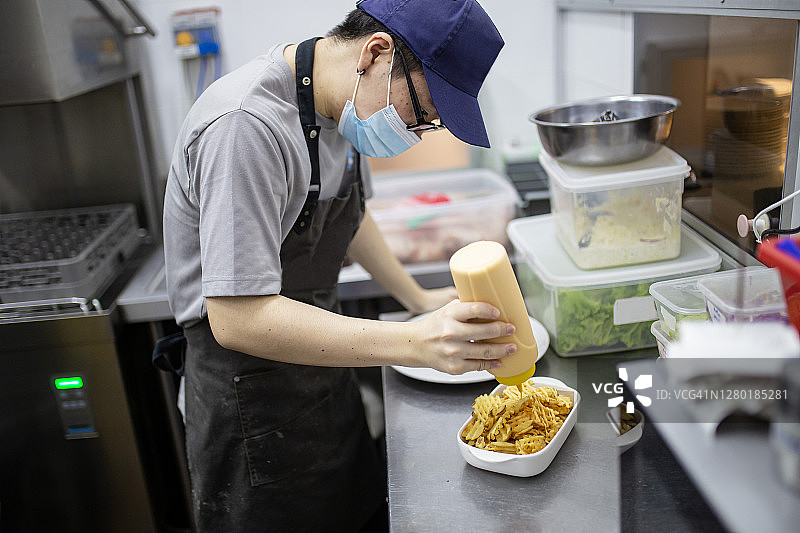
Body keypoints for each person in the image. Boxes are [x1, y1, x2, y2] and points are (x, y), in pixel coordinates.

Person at [160, 0, 506, 531]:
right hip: (250, 407)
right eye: (421, 112)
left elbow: (348, 216)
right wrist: (417, 342)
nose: (416, 132)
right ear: (376, 52)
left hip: (323, 379)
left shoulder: (336, 107)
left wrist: (419, 299)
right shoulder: (245, 126)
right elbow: (237, 318)